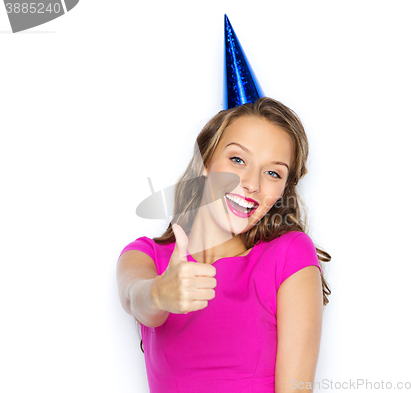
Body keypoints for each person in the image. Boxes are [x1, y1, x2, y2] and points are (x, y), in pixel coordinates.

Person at [116, 97, 331, 392]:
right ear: (205, 161)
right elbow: (133, 298)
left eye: (273, 173)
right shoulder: (147, 256)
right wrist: (158, 294)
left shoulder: (289, 254)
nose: (252, 184)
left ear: (282, 190)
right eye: (238, 159)